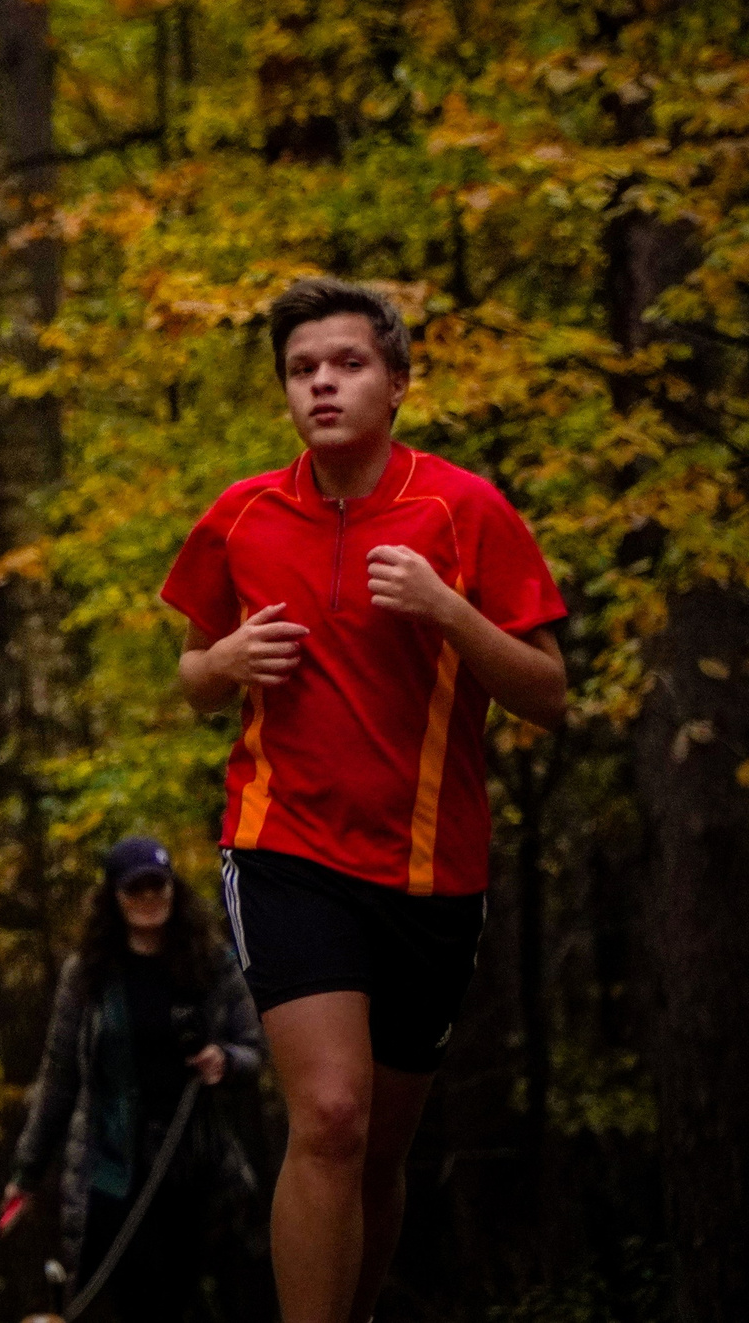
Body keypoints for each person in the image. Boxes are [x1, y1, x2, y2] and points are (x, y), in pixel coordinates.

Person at [160, 277, 567, 1323]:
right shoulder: (241, 515)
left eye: (346, 364)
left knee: (379, 1147)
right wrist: (225, 663)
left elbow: (548, 695)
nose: (323, 385)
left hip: (430, 865)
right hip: (284, 846)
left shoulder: (464, 510)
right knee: (332, 1114)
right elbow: (193, 676)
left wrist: (447, 610)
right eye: (302, 370)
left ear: (396, 382)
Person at [6, 836, 267, 1321]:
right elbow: (59, 1076)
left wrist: (226, 1060)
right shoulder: (86, 974)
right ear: (114, 898)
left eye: (157, 886)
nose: (148, 898)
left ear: (173, 889)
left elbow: (254, 1050)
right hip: (112, 1172)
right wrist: (27, 1172)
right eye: (135, 889)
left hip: (197, 1169)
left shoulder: (214, 965)